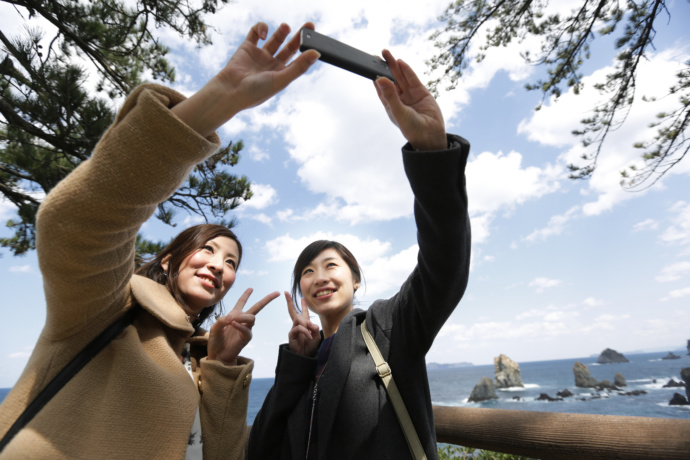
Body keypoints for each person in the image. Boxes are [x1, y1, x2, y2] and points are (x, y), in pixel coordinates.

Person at [0, 22, 321, 460]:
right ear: (167, 262)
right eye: (207, 249)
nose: (219, 267)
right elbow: (77, 223)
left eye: (231, 262)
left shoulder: (195, 354)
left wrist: (222, 365)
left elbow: (221, 454)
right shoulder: (107, 307)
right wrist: (214, 106)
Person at [248, 50, 471, 460]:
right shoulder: (305, 360)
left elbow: (443, 264)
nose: (319, 277)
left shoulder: (388, 327)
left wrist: (432, 154)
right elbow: (262, 449)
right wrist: (296, 365)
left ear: (355, 279)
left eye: (332, 265)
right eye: (308, 272)